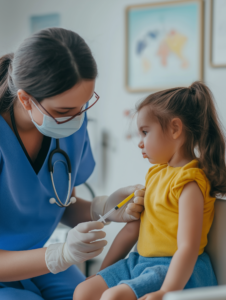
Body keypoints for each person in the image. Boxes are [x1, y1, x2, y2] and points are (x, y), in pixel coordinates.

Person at [0, 27, 145, 300]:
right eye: (64, 111)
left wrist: (104, 208)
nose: (77, 119)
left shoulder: (70, 123)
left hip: (40, 260)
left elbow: (61, 204)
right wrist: (62, 254)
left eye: (84, 105)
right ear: (25, 99)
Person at [74, 81, 226, 300]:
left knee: (112, 297)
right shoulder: (155, 175)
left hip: (175, 268)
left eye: (145, 132)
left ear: (175, 128)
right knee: (83, 290)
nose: (140, 143)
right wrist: (101, 273)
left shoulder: (189, 182)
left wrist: (166, 291)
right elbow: (130, 231)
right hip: (140, 262)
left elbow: (187, 248)